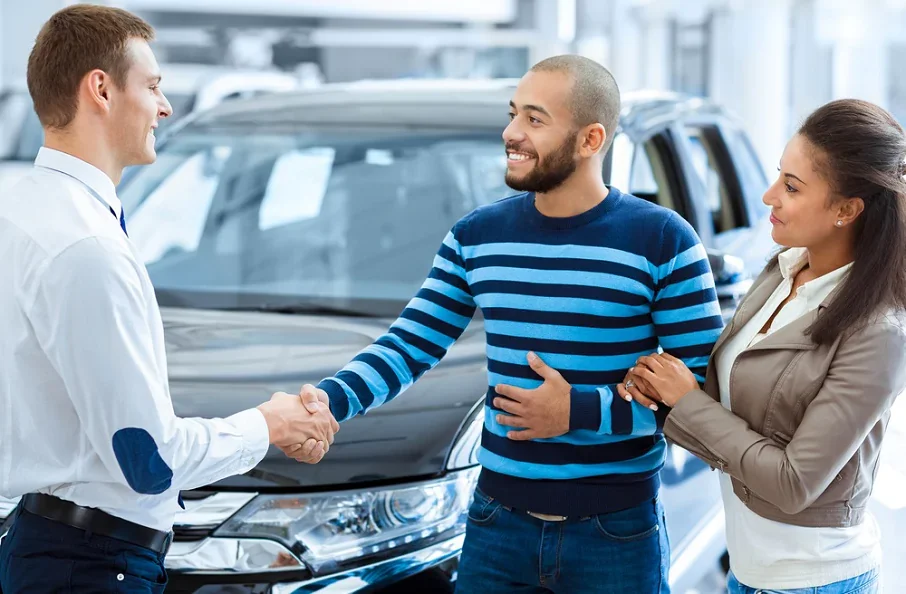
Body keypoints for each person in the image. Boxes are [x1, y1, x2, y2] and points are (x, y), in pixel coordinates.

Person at [285, 55, 723, 593]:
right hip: (497, 528)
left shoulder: (663, 240)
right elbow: (409, 344)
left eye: (535, 120)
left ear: (591, 140)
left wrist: (575, 411)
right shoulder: (477, 236)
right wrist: (329, 404)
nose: (511, 133)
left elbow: (700, 395)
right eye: (513, 113)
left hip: (616, 533)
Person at [0, 6, 338, 592]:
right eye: (153, 86)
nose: (166, 107)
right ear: (100, 89)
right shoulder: (87, 248)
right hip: (90, 565)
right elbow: (147, 461)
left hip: (44, 544)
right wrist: (269, 425)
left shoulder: (20, 212)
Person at [621, 98, 906, 594]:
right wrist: (655, 392)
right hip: (749, 574)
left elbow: (794, 482)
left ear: (846, 209)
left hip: (814, 581)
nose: (768, 196)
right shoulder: (782, 270)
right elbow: (729, 412)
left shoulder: (878, 332)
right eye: (779, 176)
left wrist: (684, 399)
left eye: (791, 187)